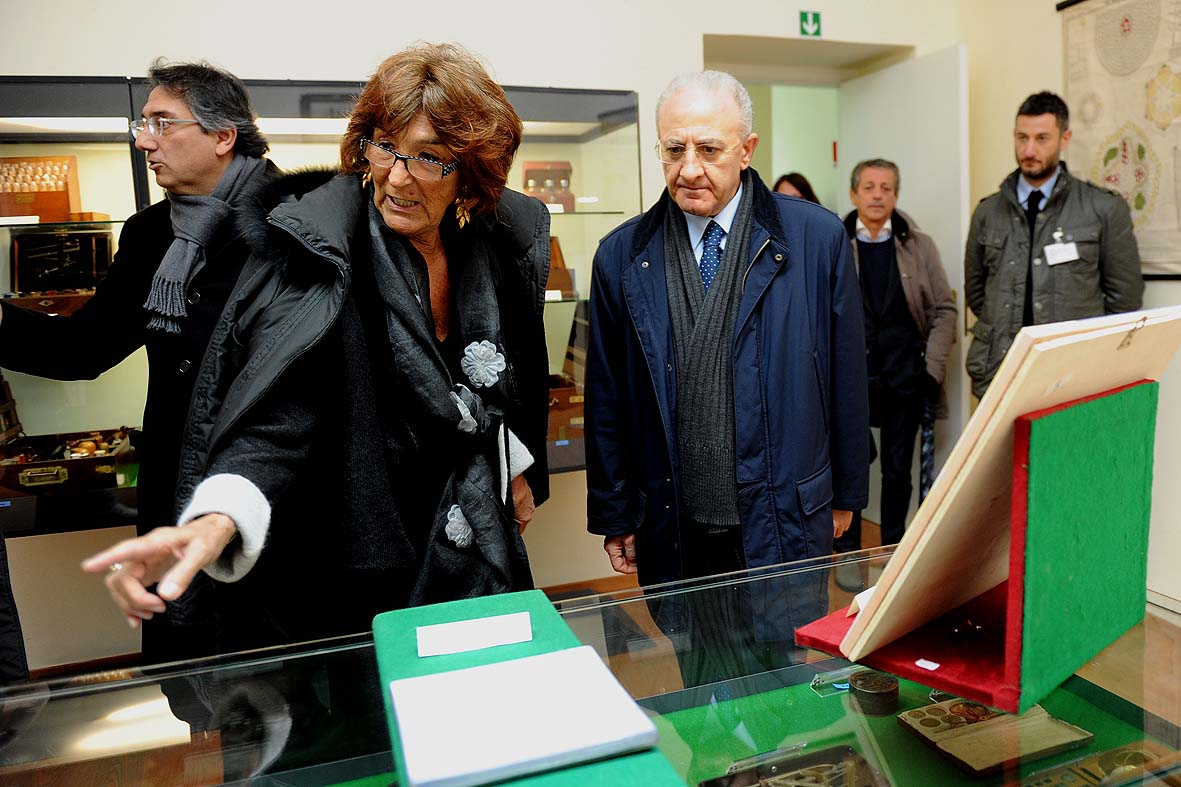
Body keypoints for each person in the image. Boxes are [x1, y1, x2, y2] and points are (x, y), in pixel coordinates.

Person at [83, 43, 551, 651]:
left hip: (472, 545)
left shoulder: (489, 245)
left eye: (429, 159)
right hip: (361, 560)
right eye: (385, 147)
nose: (397, 176)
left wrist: (507, 460)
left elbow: (500, 382)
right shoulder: (322, 253)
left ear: (472, 171)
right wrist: (220, 514)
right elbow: (279, 414)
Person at [0, 60, 279, 660]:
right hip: (176, 479)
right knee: (190, 663)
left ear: (222, 135)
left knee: (283, 671)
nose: (144, 140)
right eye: (140, 123)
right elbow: (85, 349)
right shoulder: (151, 232)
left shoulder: (297, 223)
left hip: (271, 486)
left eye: (161, 123)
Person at [586, 69, 868, 603]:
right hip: (673, 520)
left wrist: (848, 493)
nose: (689, 169)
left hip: (785, 510)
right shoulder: (622, 257)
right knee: (695, 670)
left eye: (709, 150)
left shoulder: (816, 240)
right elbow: (608, 399)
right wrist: (614, 512)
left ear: (746, 150)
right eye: (674, 150)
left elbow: (846, 378)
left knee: (785, 662)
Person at [964, 91, 1143, 399]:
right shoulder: (987, 212)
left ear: (1065, 138)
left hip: (1072, 376)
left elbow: (1124, 300)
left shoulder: (1103, 209)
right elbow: (977, 293)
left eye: (1042, 138)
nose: (1029, 149)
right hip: (1000, 373)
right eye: (1022, 137)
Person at [838, 158, 956, 552]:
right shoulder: (834, 242)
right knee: (848, 466)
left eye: (886, 188)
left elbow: (944, 309)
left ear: (896, 195)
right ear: (854, 194)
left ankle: (893, 551)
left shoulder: (918, 245)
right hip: (852, 380)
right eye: (869, 187)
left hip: (905, 376)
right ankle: (847, 553)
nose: (877, 195)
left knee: (897, 470)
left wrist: (932, 369)